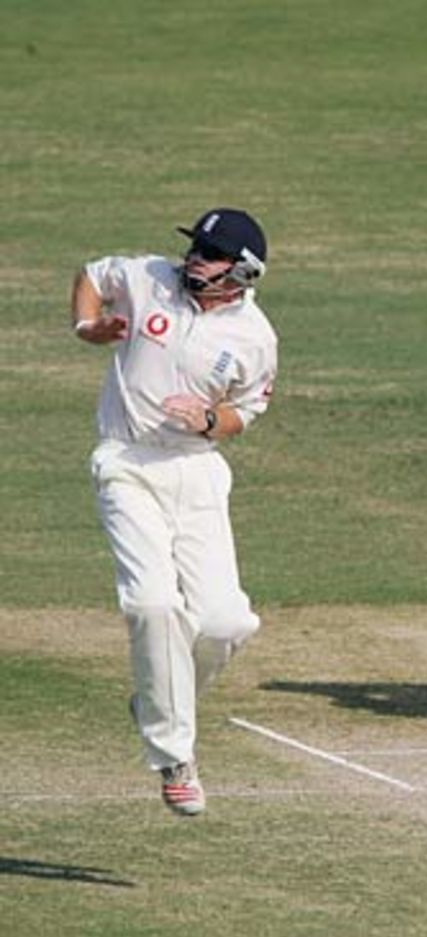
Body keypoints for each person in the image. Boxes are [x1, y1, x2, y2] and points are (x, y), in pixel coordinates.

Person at [71, 208, 278, 813]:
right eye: (195, 248)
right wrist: (87, 326)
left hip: (196, 469)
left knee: (226, 622)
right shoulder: (149, 278)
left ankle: (157, 698)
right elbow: (92, 275)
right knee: (152, 604)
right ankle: (173, 756)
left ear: (243, 271)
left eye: (210, 254)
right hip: (127, 461)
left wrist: (210, 419)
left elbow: (246, 411)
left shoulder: (255, 336)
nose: (194, 259)